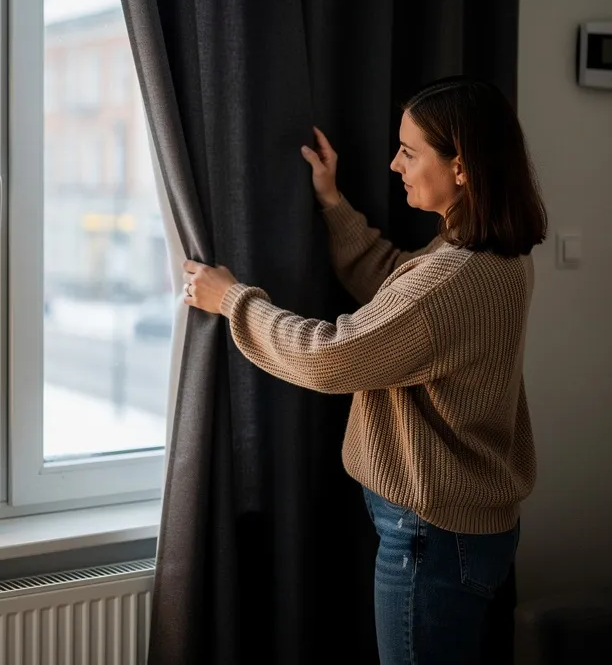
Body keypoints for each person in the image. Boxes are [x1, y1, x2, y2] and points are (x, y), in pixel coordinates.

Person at [181, 76, 547, 665]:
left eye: (410, 150)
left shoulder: (453, 278)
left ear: (462, 168)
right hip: (460, 527)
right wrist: (332, 201)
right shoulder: (494, 258)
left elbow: (331, 356)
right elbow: (398, 291)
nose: (394, 163)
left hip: (430, 535)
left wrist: (232, 300)